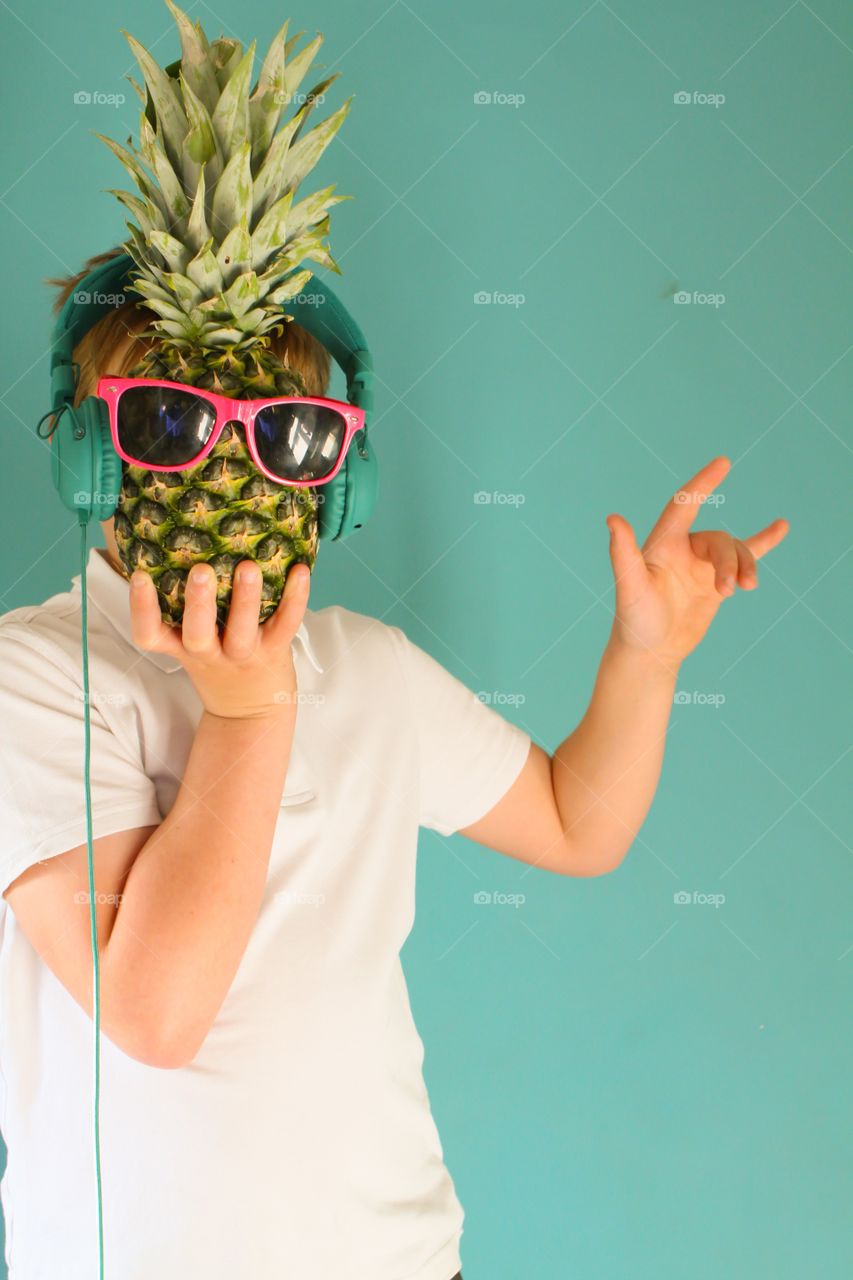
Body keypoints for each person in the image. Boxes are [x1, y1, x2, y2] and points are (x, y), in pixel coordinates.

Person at [0, 259, 788, 1278]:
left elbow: (574, 823)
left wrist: (646, 658)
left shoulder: (366, 666)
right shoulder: (32, 675)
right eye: (165, 423)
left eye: (287, 434)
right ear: (88, 459)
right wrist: (248, 710)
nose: (225, 473)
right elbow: (155, 1014)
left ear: (337, 481)